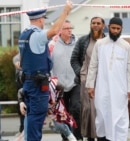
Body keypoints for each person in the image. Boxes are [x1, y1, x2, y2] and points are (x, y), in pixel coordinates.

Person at [17, 1, 72, 140]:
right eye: (43, 20)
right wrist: (65, 11)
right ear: (41, 19)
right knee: (36, 122)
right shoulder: (37, 36)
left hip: (29, 84)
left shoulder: (24, 35)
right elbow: (54, 31)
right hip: (37, 86)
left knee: (31, 120)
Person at [85, 17, 130, 141]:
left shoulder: (126, 46)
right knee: (102, 116)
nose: (115, 31)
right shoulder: (100, 44)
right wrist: (90, 85)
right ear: (108, 27)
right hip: (102, 88)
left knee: (120, 117)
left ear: (121, 29)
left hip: (120, 90)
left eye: (118, 29)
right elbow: (93, 65)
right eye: (113, 28)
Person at [70, 15, 106, 141]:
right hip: (85, 81)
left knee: (100, 110)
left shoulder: (108, 42)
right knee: (88, 110)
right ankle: (89, 137)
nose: (95, 25)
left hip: (103, 82)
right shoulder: (83, 41)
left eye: (98, 23)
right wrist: (80, 73)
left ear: (103, 25)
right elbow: (74, 59)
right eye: (93, 23)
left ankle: (102, 136)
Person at [48, 20, 82, 140]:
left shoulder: (78, 43)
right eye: (66, 28)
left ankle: (78, 137)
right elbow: (48, 64)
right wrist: (52, 81)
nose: (69, 30)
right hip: (59, 85)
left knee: (76, 108)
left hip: (75, 83)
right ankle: (66, 137)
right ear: (60, 30)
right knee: (62, 114)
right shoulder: (52, 44)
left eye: (70, 27)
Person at [13, 53, 25, 136]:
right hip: (20, 86)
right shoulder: (16, 57)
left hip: (29, 85)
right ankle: (22, 130)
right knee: (21, 110)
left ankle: (25, 130)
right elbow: (18, 65)